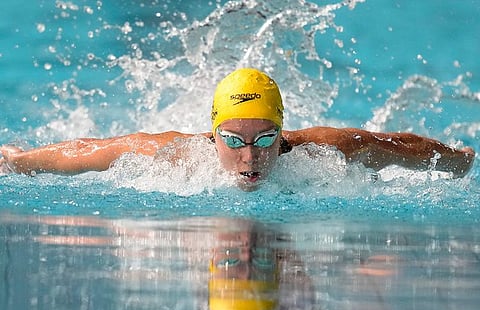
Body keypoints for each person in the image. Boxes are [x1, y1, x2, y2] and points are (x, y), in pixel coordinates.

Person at [0, 68, 475, 190]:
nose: (250, 158)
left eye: (265, 139)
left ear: (282, 133)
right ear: (214, 136)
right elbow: (86, 153)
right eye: (234, 141)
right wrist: (19, 161)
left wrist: (463, 161)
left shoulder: (324, 152)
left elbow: (401, 147)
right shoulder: (178, 155)